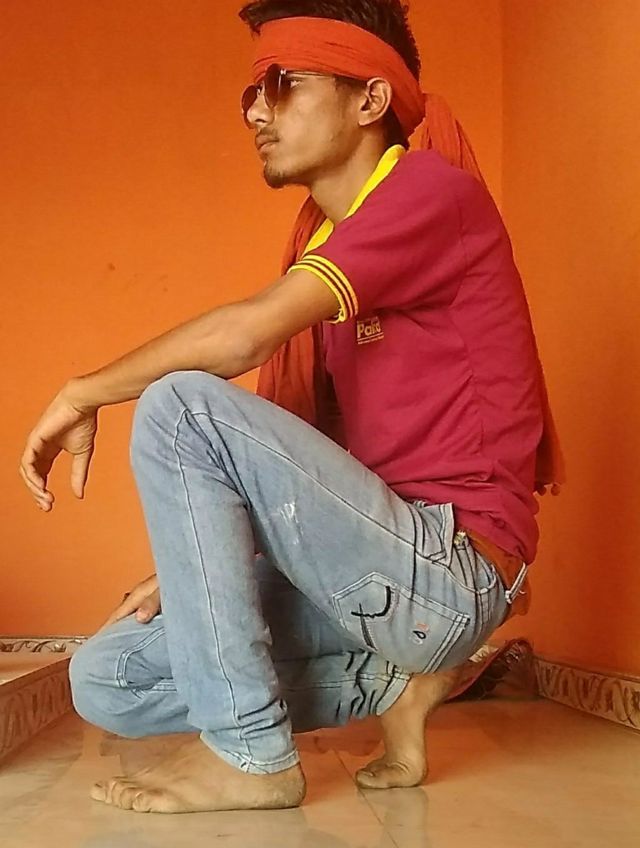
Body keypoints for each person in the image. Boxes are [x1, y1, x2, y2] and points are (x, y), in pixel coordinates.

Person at [18, 0, 559, 815]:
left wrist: (81, 391)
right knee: (107, 678)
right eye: (252, 93)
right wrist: (195, 572)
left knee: (181, 406)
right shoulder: (329, 246)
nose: (256, 112)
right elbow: (304, 476)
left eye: (282, 84)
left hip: (449, 567)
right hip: (378, 568)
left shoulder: (428, 194)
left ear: (371, 99)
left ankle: (250, 755)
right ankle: (399, 685)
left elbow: (241, 339)